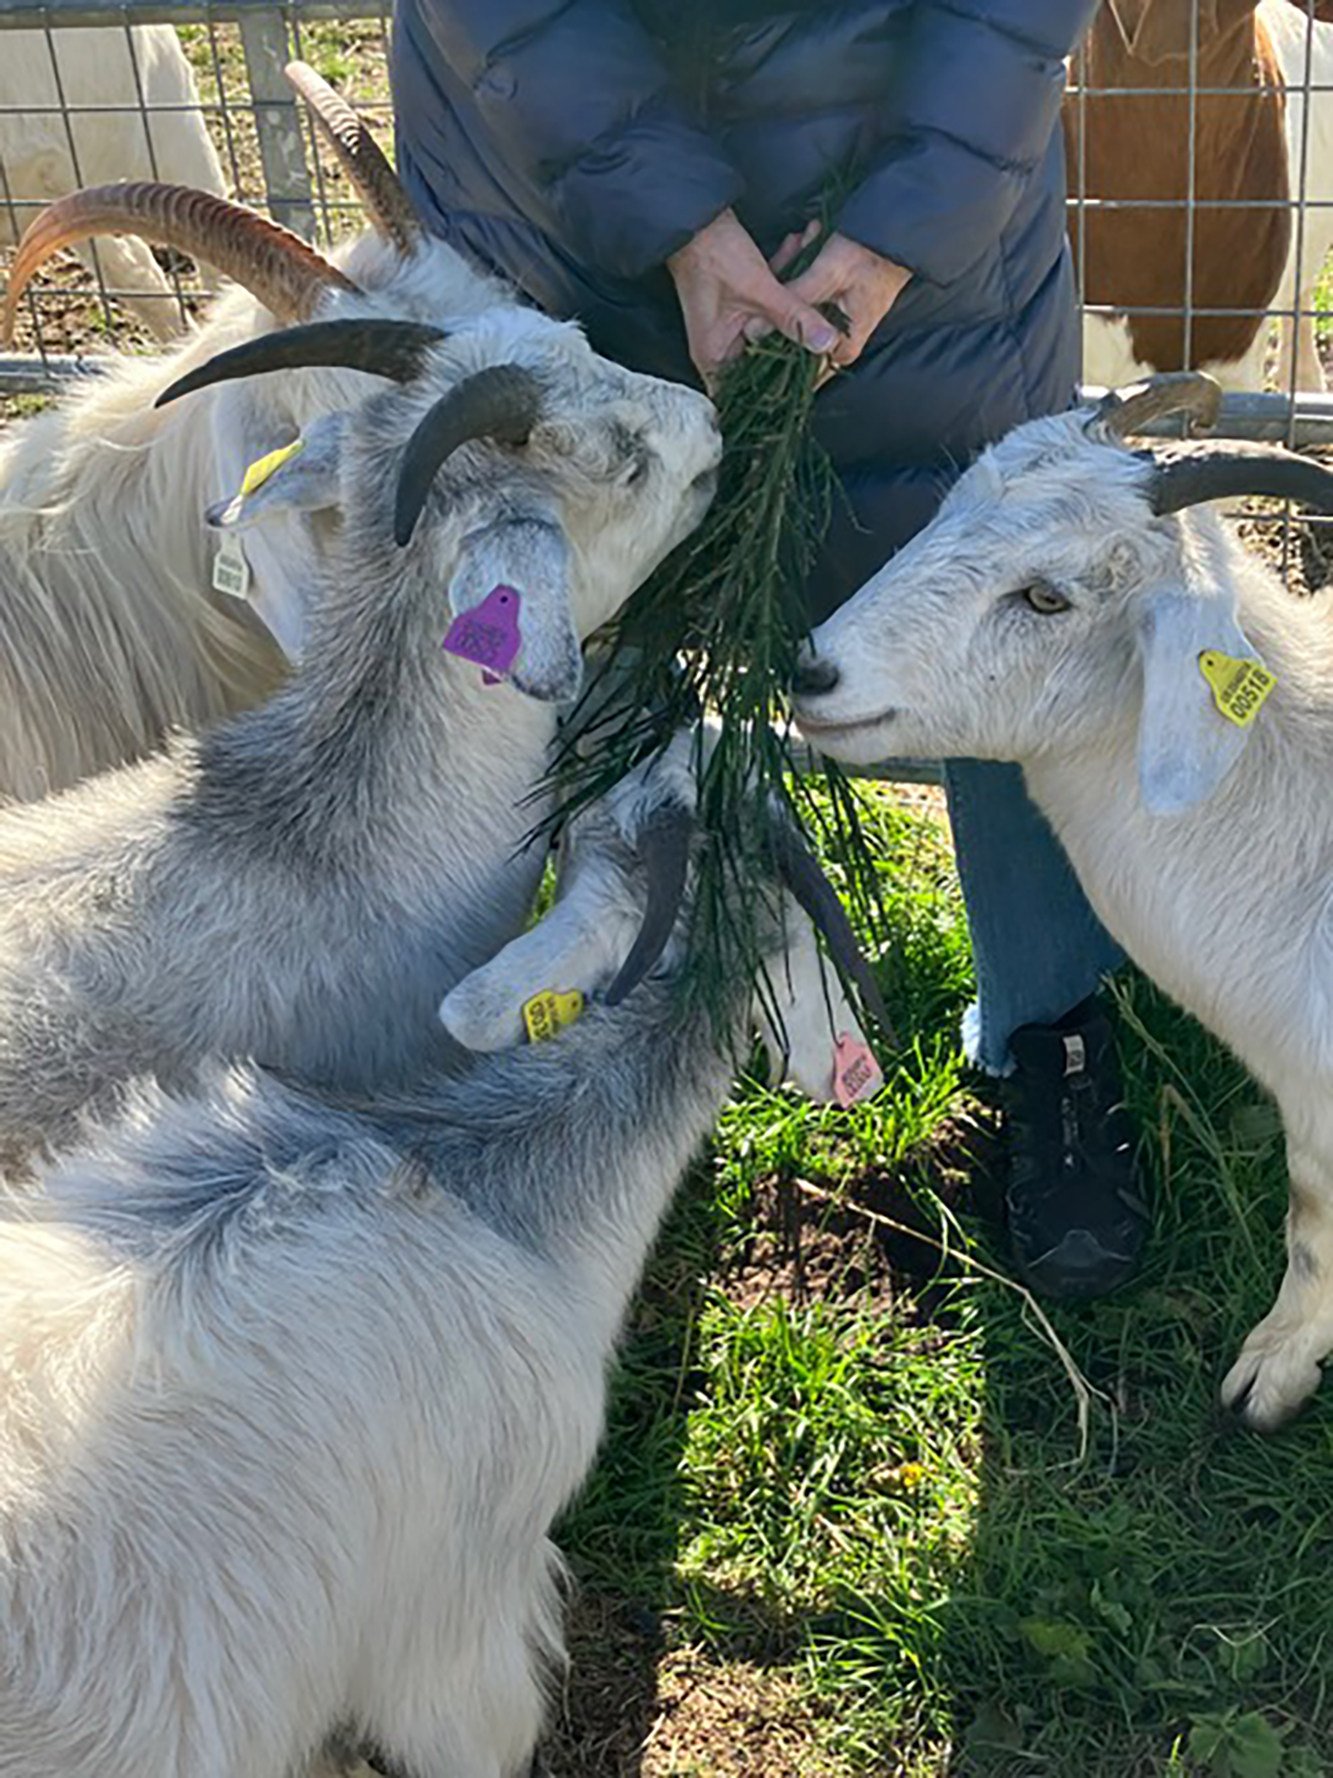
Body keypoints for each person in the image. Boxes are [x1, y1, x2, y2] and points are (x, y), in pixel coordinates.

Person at [389, 0, 1150, 1299]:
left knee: (979, 579)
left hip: (923, 155)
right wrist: (671, 216)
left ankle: (1049, 1029)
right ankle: (620, 1035)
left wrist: (911, 216)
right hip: (554, 139)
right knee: (589, 588)